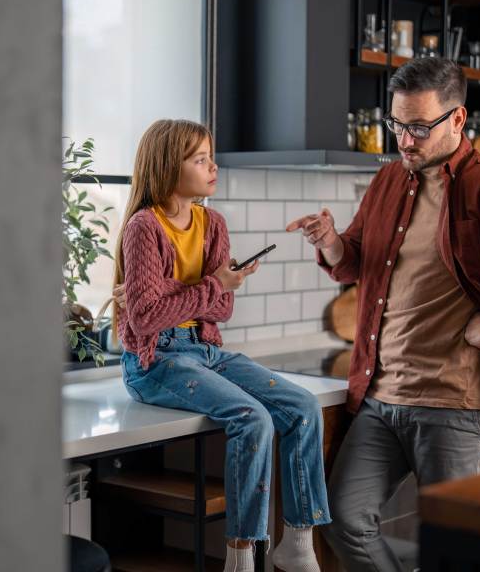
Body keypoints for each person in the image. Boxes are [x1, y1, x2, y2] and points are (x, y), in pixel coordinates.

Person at [286, 58, 480, 571]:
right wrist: (330, 242)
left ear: (457, 119)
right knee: (344, 519)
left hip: (454, 403)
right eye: (397, 124)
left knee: (453, 547)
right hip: (381, 398)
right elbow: (355, 262)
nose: (405, 140)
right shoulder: (389, 179)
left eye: (418, 127)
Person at [112, 119, 330, 572]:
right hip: (154, 359)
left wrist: (180, 292)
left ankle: (297, 542)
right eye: (200, 159)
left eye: (211, 157)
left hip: (205, 348)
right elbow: (147, 318)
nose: (213, 167)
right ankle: (240, 556)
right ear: (168, 166)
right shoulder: (143, 227)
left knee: (304, 406)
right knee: (252, 418)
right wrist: (212, 285)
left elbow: (222, 309)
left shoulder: (213, 223)